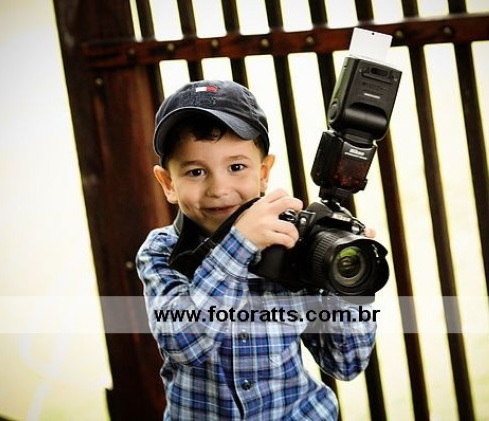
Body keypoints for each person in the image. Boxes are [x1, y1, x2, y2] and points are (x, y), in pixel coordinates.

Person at [136, 79, 377, 420]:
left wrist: (348, 285)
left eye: (237, 167)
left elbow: (345, 363)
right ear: (168, 183)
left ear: (263, 173)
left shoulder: (291, 241)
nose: (219, 188)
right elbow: (184, 344)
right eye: (195, 171)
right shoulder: (161, 252)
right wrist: (239, 246)